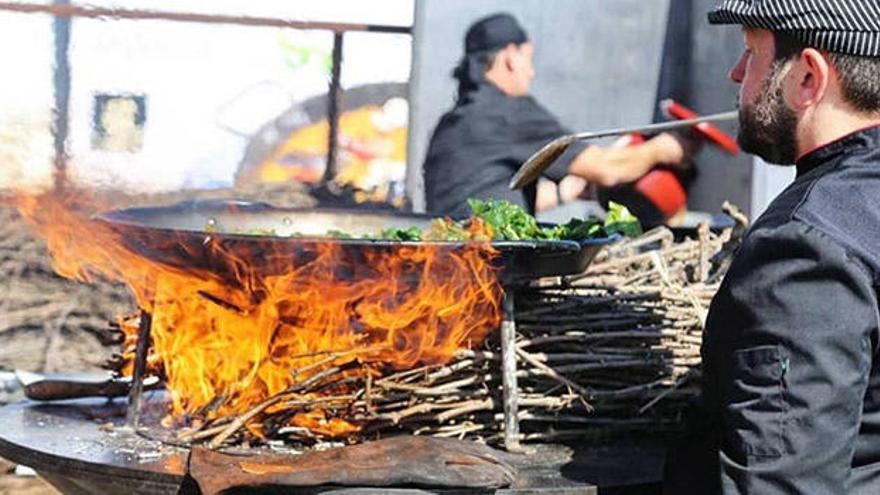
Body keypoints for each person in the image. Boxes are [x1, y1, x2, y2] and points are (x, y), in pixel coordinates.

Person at [664, 1, 880, 493]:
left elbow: (784, 481)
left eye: (750, 51)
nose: (735, 72)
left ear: (808, 77)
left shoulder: (806, 246)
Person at [422, 12, 690, 218]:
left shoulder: (451, 125)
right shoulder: (510, 113)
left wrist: (565, 192)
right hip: (488, 270)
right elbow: (609, 169)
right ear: (511, 58)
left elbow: (486, 196)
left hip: (450, 270)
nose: (531, 72)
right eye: (529, 60)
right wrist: (662, 148)